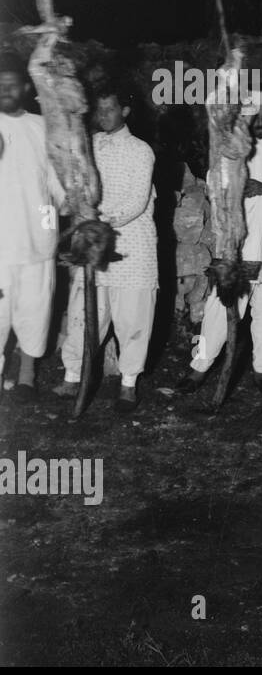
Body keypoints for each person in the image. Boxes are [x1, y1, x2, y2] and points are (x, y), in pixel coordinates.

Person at [178, 88, 262, 394]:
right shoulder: (232, 142)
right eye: (254, 112)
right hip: (238, 245)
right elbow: (211, 180)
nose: (260, 118)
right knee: (219, 310)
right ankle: (199, 366)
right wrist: (231, 182)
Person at [55, 89, 157, 412]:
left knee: (132, 317)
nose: (103, 116)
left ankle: (128, 383)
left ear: (125, 111)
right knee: (84, 313)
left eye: (110, 110)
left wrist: (100, 222)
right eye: (99, 111)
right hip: (91, 243)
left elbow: (137, 201)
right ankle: (73, 373)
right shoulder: (89, 145)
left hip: (130, 245)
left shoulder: (141, 150)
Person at [0, 55, 63, 404]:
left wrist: (49, 232)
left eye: (11, 83)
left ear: (26, 87)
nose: (5, 90)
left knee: (34, 310)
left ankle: (26, 376)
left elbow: (55, 188)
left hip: (37, 241)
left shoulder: (43, 126)